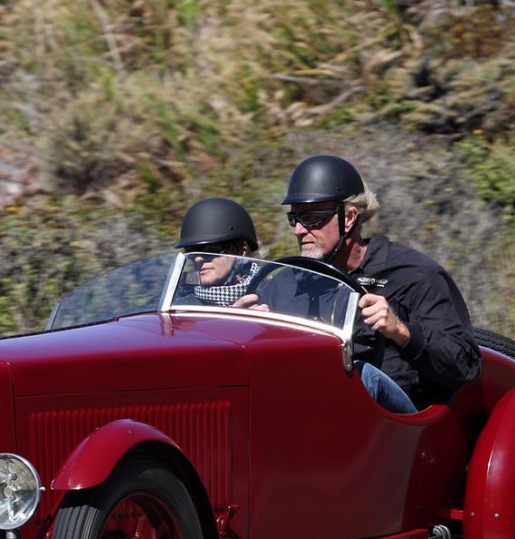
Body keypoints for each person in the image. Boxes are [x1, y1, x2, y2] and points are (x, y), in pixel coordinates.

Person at [275, 155, 480, 413]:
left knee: (362, 376)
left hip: (394, 422)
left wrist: (400, 330)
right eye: (294, 219)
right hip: (305, 409)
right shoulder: (288, 281)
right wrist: (252, 328)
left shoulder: (413, 274)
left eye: (312, 219)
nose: (299, 231)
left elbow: (465, 364)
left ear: (349, 218)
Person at [173, 197, 261, 306]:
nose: (198, 258)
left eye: (211, 249)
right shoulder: (179, 308)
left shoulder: (270, 293)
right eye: (192, 251)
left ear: (241, 251)